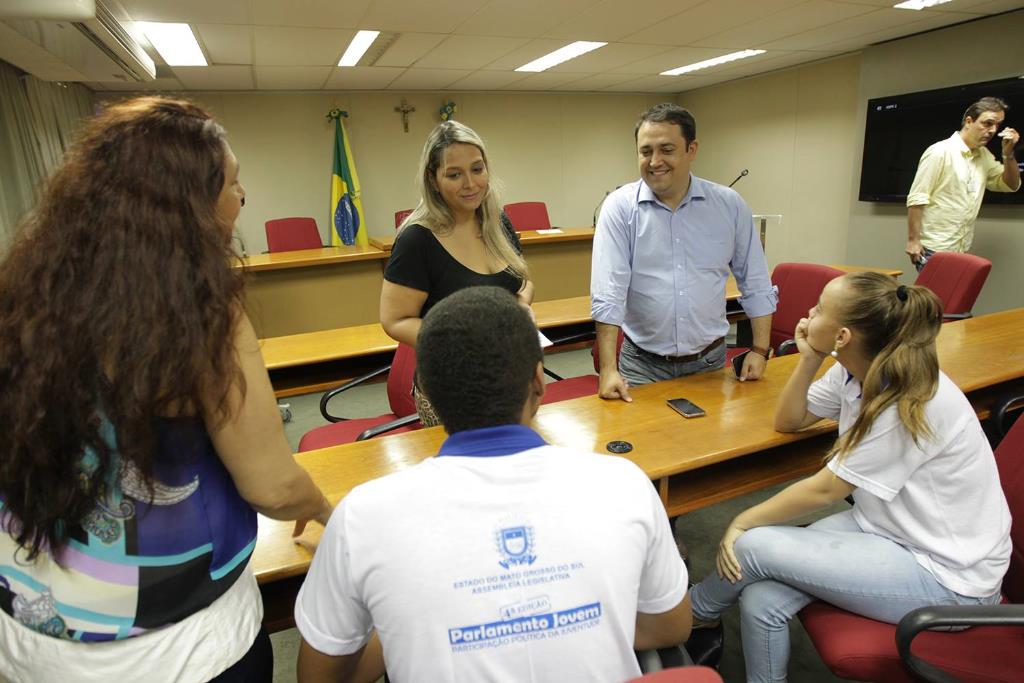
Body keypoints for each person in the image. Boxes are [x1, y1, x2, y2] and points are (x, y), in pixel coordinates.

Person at [0, 97, 333, 682]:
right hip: (175, 646)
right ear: (188, 206)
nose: (243, 197)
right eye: (233, 183)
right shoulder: (202, 314)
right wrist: (323, 508)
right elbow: (272, 485)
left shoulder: (27, 290)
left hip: (32, 626)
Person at [295, 287, 692, 683]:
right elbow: (671, 626)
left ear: (427, 396)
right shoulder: (624, 484)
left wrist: (398, 619)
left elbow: (319, 678)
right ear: (539, 381)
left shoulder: (362, 519)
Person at [688, 272, 1011, 683]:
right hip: (888, 530)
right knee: (761, 596)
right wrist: (809, 358)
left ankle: (689, 615)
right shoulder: (853, 371)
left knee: (750, 544)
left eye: (820, 308)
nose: (809, 312)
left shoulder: (907, 400)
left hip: (949, 578)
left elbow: (827, 488)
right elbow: (789, 420)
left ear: (842, 336)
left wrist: (740, 521)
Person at [591, 103, 777, 402]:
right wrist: (608, 369)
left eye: (666, 150)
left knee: (709, 433)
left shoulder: (729, 205)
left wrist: (759, 349)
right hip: (641, 366)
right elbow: (608, 293)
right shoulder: (620, 207)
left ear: (692, 150)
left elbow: (755, 281)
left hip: (709, 363)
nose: (655, 161)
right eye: (645, 151)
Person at [380, 121, 534, 426]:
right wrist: (464, 340)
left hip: (509, 376)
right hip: (452, 389)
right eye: (454, 175)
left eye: (477, 169)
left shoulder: (498, 222)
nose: (470, 183)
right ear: (433, 180)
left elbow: (523, 281)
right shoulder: (417, 240)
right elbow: (394, 320)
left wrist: (519, 307)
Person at [905, 96, 1021, 271]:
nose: (993, 130)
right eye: (988, 123)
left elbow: (1011, 185)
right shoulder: (940, 152)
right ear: (969, 121)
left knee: (952, 291)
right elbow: (917, 197)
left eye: (997, 125)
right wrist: (913, 240)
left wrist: (1008, 154)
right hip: (934, 249)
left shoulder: (984, 156)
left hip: (961, 248)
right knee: (938, 290)